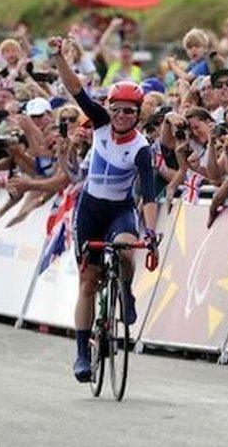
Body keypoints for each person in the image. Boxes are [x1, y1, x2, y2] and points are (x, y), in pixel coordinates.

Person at [48, 36, 158, 383]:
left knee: (126, 248)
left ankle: (126, 291)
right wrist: (58, 57)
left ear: (138, 115)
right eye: (117, 109)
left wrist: (151, 233)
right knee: (88, 282)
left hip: (120, 210)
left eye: (130, 111)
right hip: (91, 210)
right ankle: (82, 352)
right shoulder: (98, 123)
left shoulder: (141, 148)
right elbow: (75, 88)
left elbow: (150, 196)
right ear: (108, 109)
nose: (122, 116)